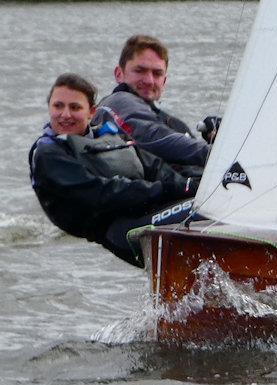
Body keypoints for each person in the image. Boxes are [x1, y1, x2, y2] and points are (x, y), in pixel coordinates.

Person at [29, 73, 200, 267]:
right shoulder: (48, 154)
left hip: (148, 209)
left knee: (209, 192)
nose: (65, 114)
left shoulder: (108, 134)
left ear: (91, 112)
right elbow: (101, 192)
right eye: (58, 106)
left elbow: (153, 166)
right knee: (204, 208)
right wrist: (170, 189)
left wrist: (186, 184)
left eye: (75, 107)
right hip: (121, 231)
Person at [91, 34, 218, 176]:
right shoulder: (118, 102)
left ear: (164, 81)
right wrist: (219, 154)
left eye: (157, 74)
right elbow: (152, 137)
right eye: (140, 71)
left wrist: (219, 137)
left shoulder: (169, 122)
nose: (149, 81)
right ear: (119, 74)